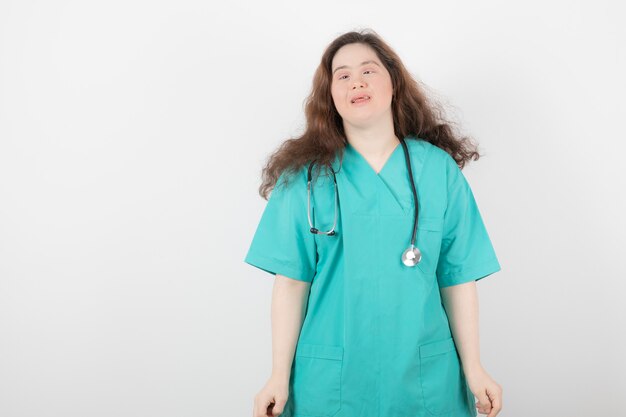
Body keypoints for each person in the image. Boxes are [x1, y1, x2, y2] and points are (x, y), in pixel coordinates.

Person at [244, 29, 503, 417]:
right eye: (343, 75)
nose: (357, 82)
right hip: (331, 381)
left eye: (369, 70)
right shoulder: (306, 178)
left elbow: (457, 279)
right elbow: (291, 283)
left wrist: (475, 367)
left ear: (394, 84)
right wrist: (278, 375)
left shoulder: (438, 171)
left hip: (424, 377)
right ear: (330, 95)